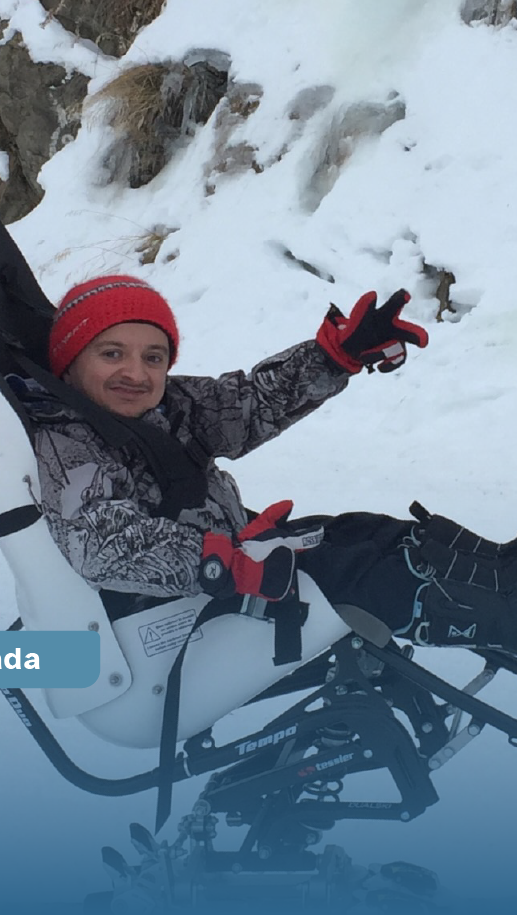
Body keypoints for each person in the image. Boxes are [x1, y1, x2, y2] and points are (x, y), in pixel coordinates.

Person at [28, 274, 517, 654]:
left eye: (154, 358)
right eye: (112, 353)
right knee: (357, 574)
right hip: (176, 613)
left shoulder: (168, 406)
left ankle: (501, 572)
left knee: (361, 532)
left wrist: (334, 356)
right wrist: (226, 560)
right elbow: (101, 543)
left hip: (238, 564)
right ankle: (502, 622)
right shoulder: (69, 442)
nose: (136, 373)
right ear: (70, 359)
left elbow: (246, 405)